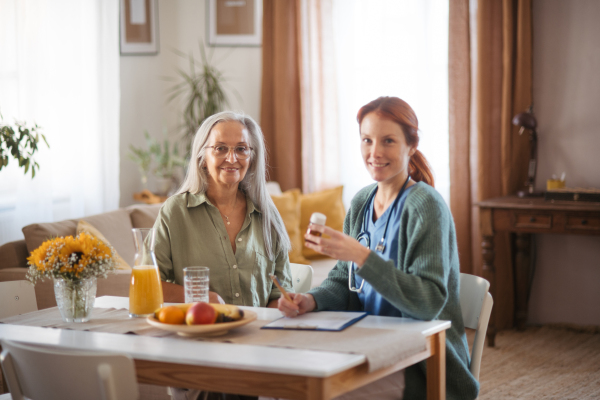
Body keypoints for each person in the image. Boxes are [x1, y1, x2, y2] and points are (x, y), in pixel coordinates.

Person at [278, 97, 480, 400]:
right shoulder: (361, 203)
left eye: (388, 141)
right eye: (367, 140)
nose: (375, 152)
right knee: (286, 386)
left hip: (422, 365)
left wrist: (360, 255)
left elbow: (427, 303)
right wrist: (310, 300)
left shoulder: (426, 206)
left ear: (411, 145)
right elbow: (342, 284)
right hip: (366, 348)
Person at [153, 111, 294, 400]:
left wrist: (287, 303)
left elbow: (279, 291)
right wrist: (199, 297)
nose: (232, 158)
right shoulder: (175, 212)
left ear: (252, 156)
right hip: (197, 358)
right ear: (202, 156)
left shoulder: (267, 214)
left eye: (241, 148)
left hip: (259, 355)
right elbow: (147, 284)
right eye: (221, 148)